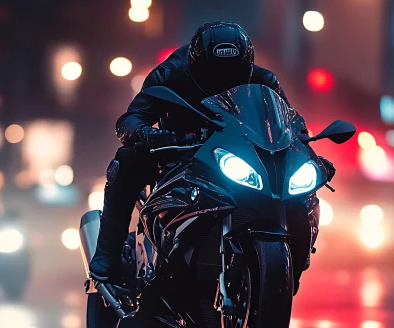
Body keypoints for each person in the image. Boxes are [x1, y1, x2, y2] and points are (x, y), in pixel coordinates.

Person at [89, 21, 335, 285]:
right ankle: (107, 253)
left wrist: (305, 151)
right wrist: (148, 134)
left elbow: (291, 126)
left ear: (246, 64)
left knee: (302, 191)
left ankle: (292, 260)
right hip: (181, 153)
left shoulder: (264, 81)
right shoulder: (170, 75)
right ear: (197, 64)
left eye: (233, 73)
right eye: (217, 74)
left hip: (239, 157)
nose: (224, 81)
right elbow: (130, 120)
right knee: (127, 161)